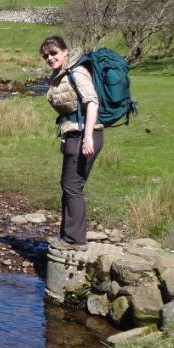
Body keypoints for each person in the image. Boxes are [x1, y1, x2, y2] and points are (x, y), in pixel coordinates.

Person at [41, 35, 102, 249]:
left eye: (54, 53)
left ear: (65, 51)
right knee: (69, 186)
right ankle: (67, 236)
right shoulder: (61, 74)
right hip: (73, 136)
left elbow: (92, 102)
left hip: (85, 135)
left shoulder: (77, 72)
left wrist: (87, 137)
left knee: (72, 187)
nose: (49, 58)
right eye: (46, 55)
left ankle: (74, 239)